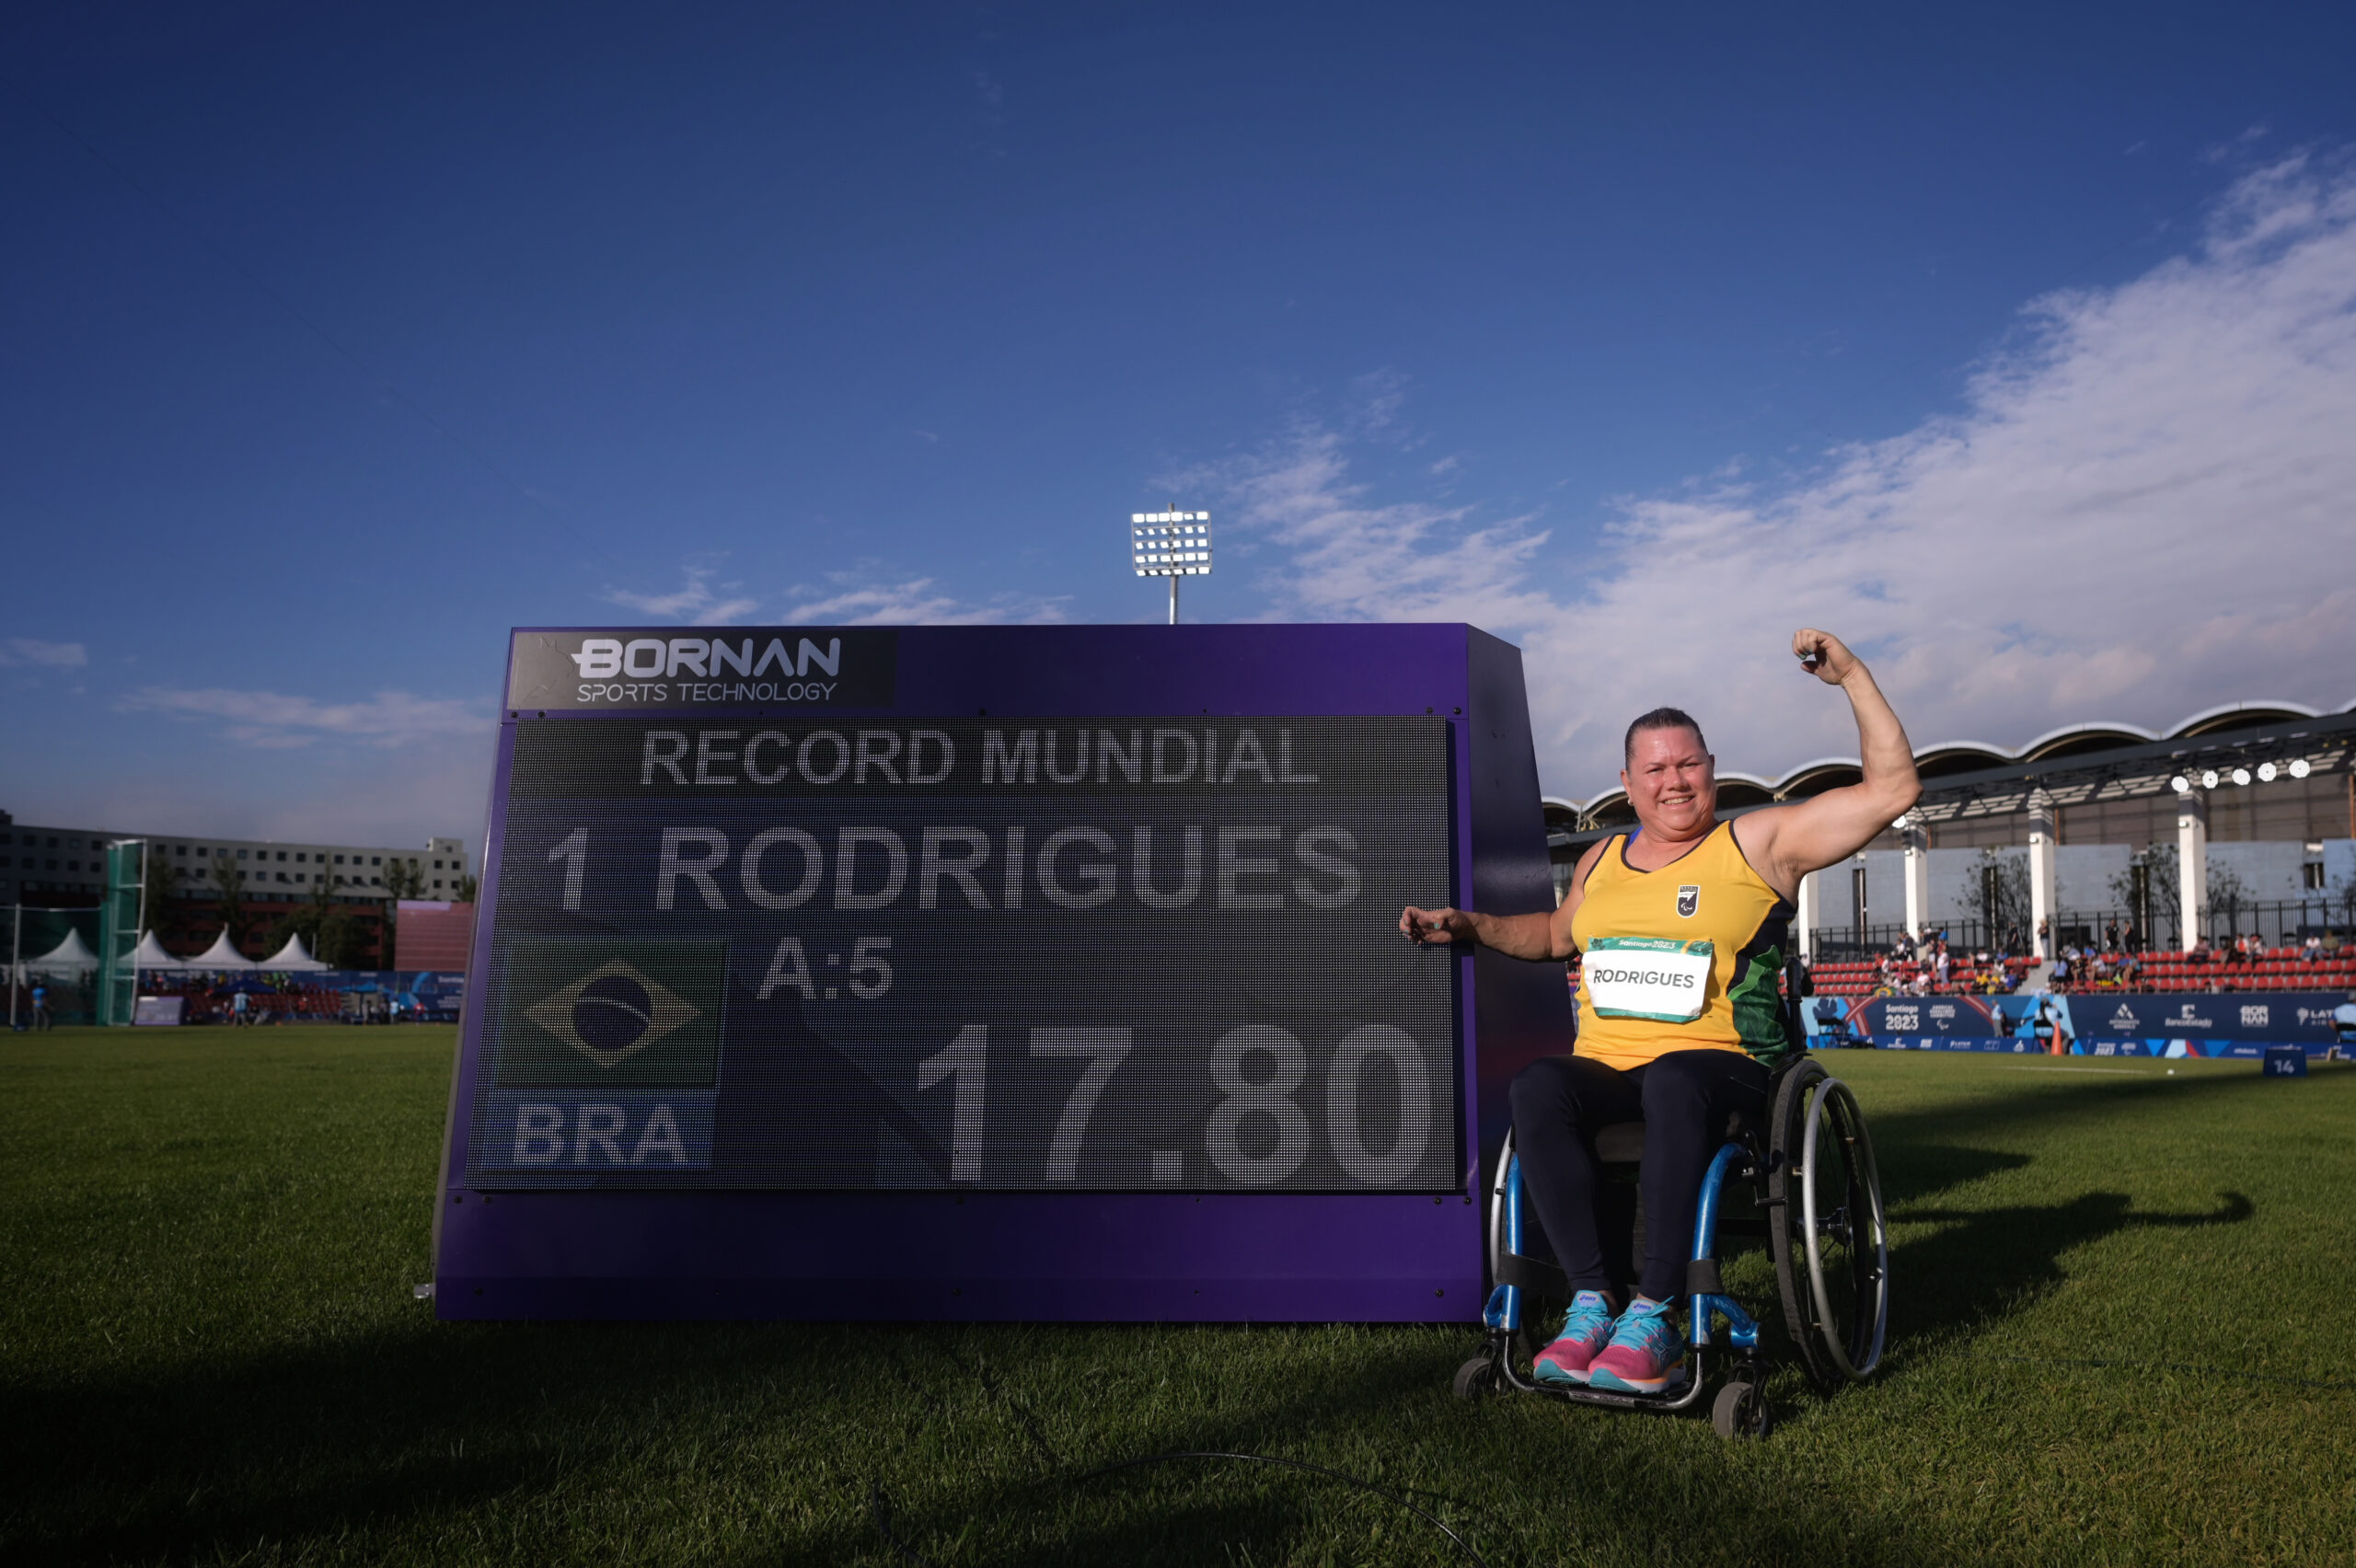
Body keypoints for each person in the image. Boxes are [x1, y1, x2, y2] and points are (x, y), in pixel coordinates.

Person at [1400, 627, 1920, 1394]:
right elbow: (1553, 934)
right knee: (1540, 1085)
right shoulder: (1601, 861)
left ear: (1711, 770)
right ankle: (1590, 1301)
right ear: (1628, 780)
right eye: (1656, 768)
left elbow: (1893, 791)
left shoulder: (1760, 842)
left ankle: (1654, 1314)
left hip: (1732, 1071)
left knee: (1677, 1078)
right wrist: (1473, 925)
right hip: (1617, 1071)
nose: (1674, 781)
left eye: (1688, 764)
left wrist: (1852, 677)